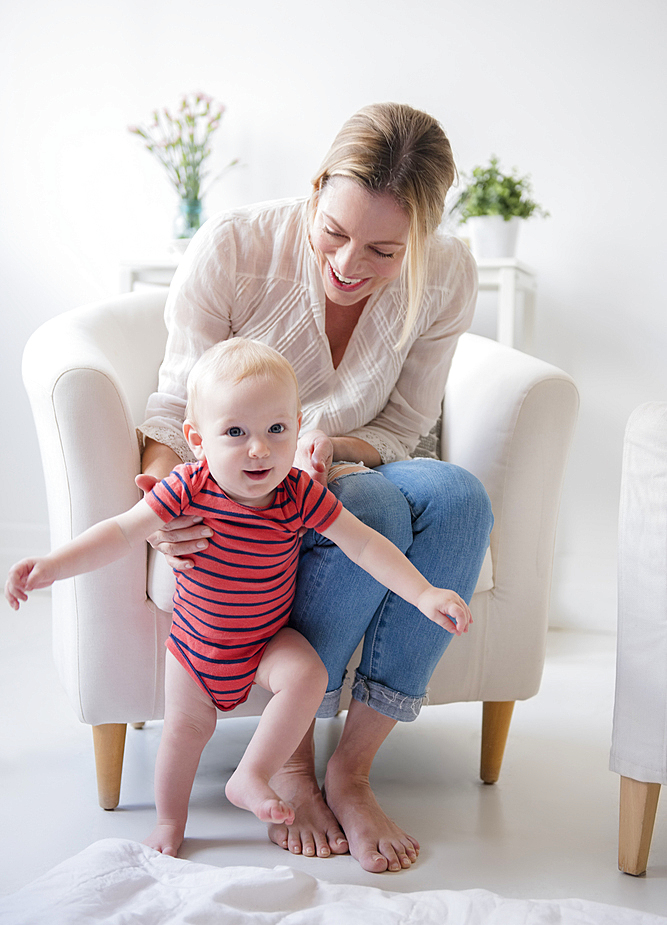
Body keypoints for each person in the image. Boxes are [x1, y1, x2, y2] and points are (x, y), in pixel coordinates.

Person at [138, 102, 494, 873]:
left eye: (383, 250)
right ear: (313, 191)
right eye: (332, 233)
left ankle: (350, 770)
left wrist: (332, 447)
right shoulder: (236, 246)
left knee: (459, 497)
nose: (348, 266)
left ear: (422, 238)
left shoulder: (450, 275)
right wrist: (163, 515)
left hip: (359, 456)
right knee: (366, 506)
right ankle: (290, 764)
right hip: (254, 489)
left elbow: (405, 425)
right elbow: (175, 409)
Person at [5, 339, 472, 860]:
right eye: (235, 433)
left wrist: (424, 593)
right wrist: (51, 566)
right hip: (195, 652)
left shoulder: (299, 491)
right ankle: (169, 820)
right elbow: (118, 533)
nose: (260, 450)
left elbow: (362, 543)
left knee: (307, 674)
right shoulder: (188, 486)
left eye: (277, 430)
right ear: (197, 439)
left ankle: (251, 775)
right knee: (182, 737)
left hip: (266, 645)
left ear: (297, 425)